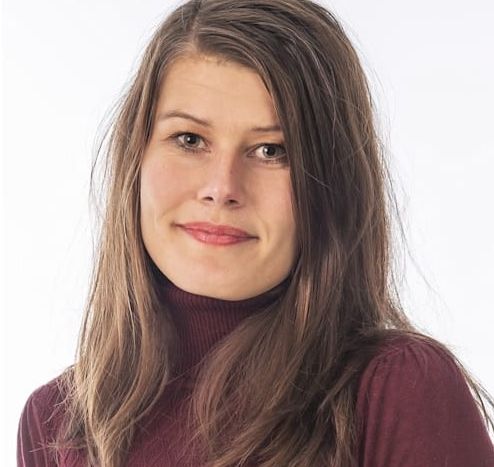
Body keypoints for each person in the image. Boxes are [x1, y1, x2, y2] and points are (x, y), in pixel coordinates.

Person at [16, 0, 494, 466]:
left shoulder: (394, 392)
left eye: (271, 150)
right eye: (190, 140)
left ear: (333, 186)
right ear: (136, 157)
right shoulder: (54, 423)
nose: (221, 188)